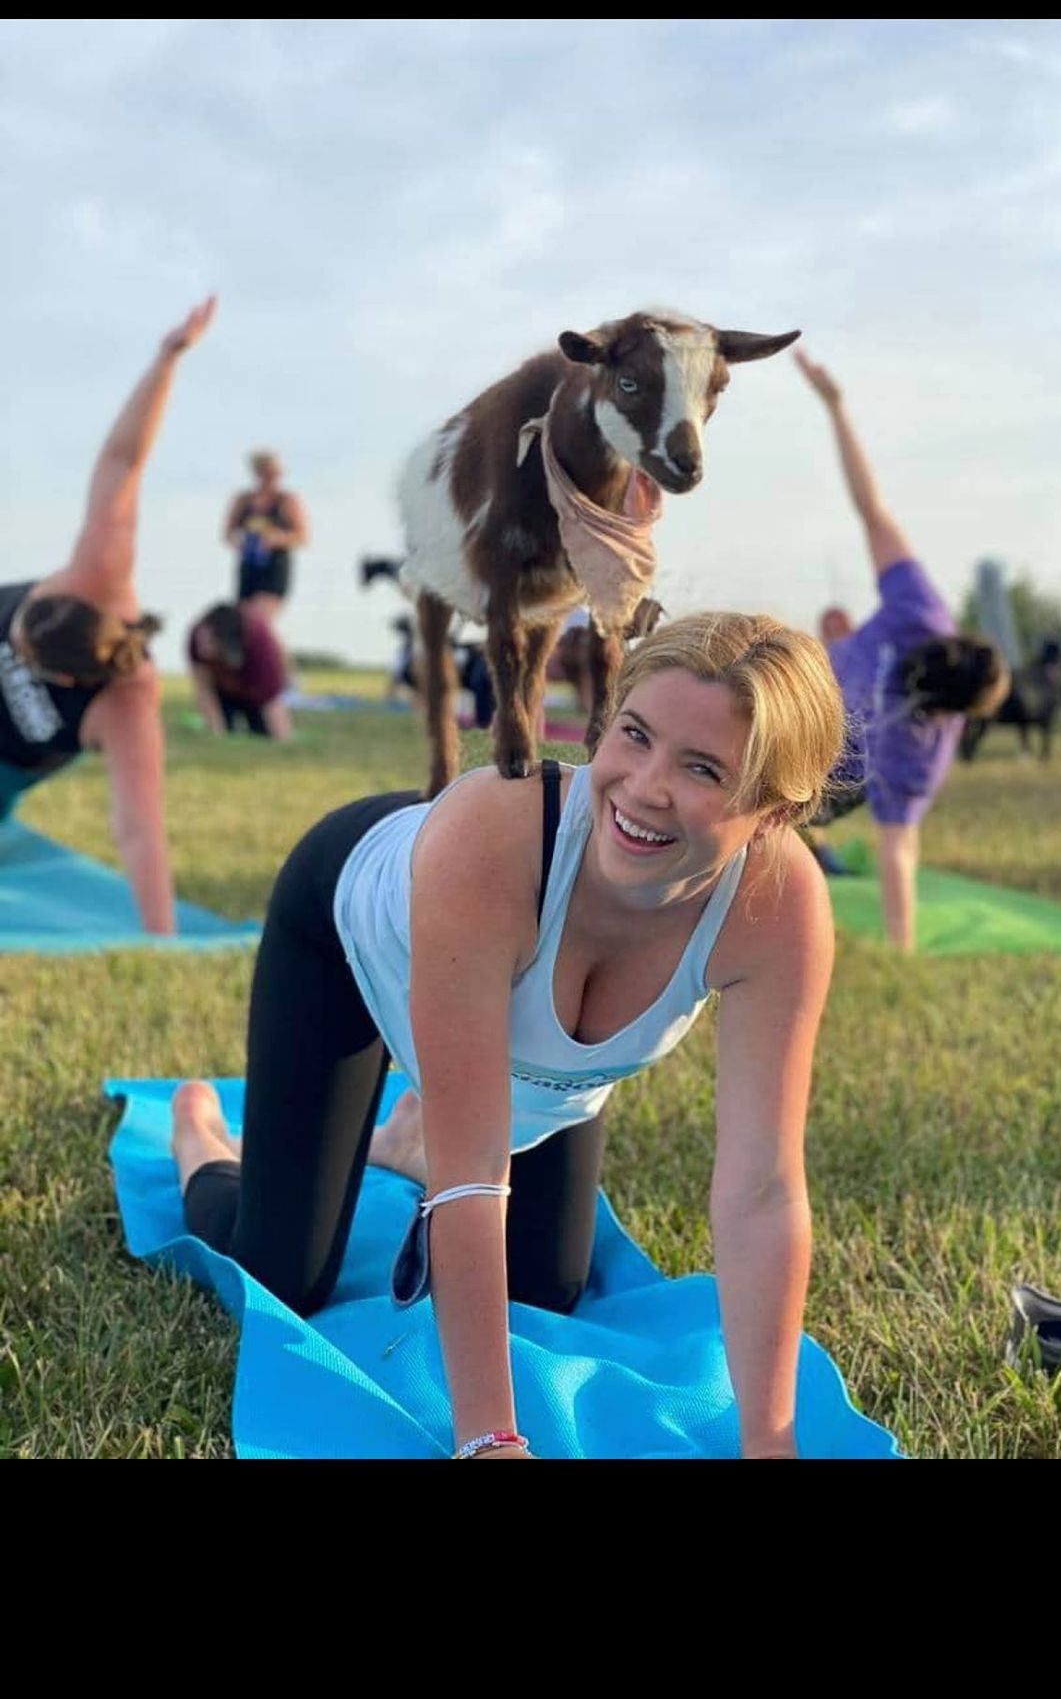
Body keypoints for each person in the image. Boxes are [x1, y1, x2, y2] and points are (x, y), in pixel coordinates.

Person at [169, 610, 845, 1460]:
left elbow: (762, 1192)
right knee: (284, 1272)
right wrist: (489, 1441)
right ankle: (203, 1142)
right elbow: (473, 1181)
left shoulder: (778, 908)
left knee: (546, 1290)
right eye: (633, 735)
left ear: (775, 813)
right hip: (348, 940)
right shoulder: (494, 834)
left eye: (702, 768)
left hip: (533, 1060)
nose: (643, 787)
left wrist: (770, 1443)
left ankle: (413, 1130)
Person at [0, 298, 217, 933]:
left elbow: (139, 827)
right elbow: (124, 459)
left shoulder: (125, 709)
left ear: (68, 682)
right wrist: (168, 357)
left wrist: (163, 941)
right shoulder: (100, 564)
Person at [794, 349, 1010, 950]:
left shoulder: (915, 751)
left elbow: (899, 848)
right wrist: (835, 408)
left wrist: (902, 942)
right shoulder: (919, 611)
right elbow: (872, 512)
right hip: (812, 684)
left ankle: (802, 846)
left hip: (815, 768)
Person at [223, 453, 309, 623]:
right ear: (257, 473)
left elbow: (302, 536)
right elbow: (228, 533)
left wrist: (275, 539)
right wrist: (240, 542)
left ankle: (272, 649)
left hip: (274, 568)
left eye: (277, 472)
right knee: (242, 622)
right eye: (268, 472)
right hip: (249, 566)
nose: (273, 477)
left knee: (260, 620)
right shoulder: (243, 500)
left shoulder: (287, 500)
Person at [188, 602, 292, 739]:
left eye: (211, 642)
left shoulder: (260, 644)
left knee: (263, 732)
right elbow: (204, 688)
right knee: (226, 729)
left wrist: (283, 737)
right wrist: (217, 734)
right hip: (223, 692)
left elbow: (271, 700)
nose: (203, 648)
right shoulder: (197, 636)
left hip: (255, 692)